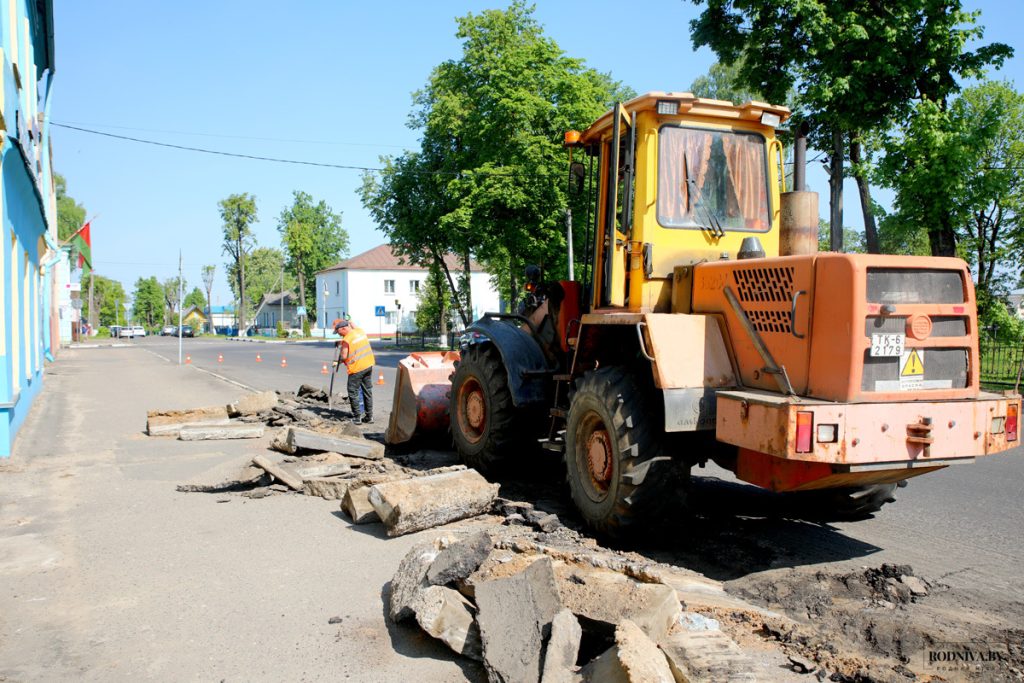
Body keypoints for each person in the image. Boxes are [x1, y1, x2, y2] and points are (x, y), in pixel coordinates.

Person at [333, 318, 375, 424]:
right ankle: (369, 417)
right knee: (367, 391)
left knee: (352, 392)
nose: (338, 334)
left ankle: (357, 418)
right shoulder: (359, 331)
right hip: (368, 365)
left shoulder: (347, 339)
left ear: (343, 328)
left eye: (338, 332)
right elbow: (353, 324)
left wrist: (337, 361)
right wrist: (349, 321)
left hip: (356, 369)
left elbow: (344, 356)